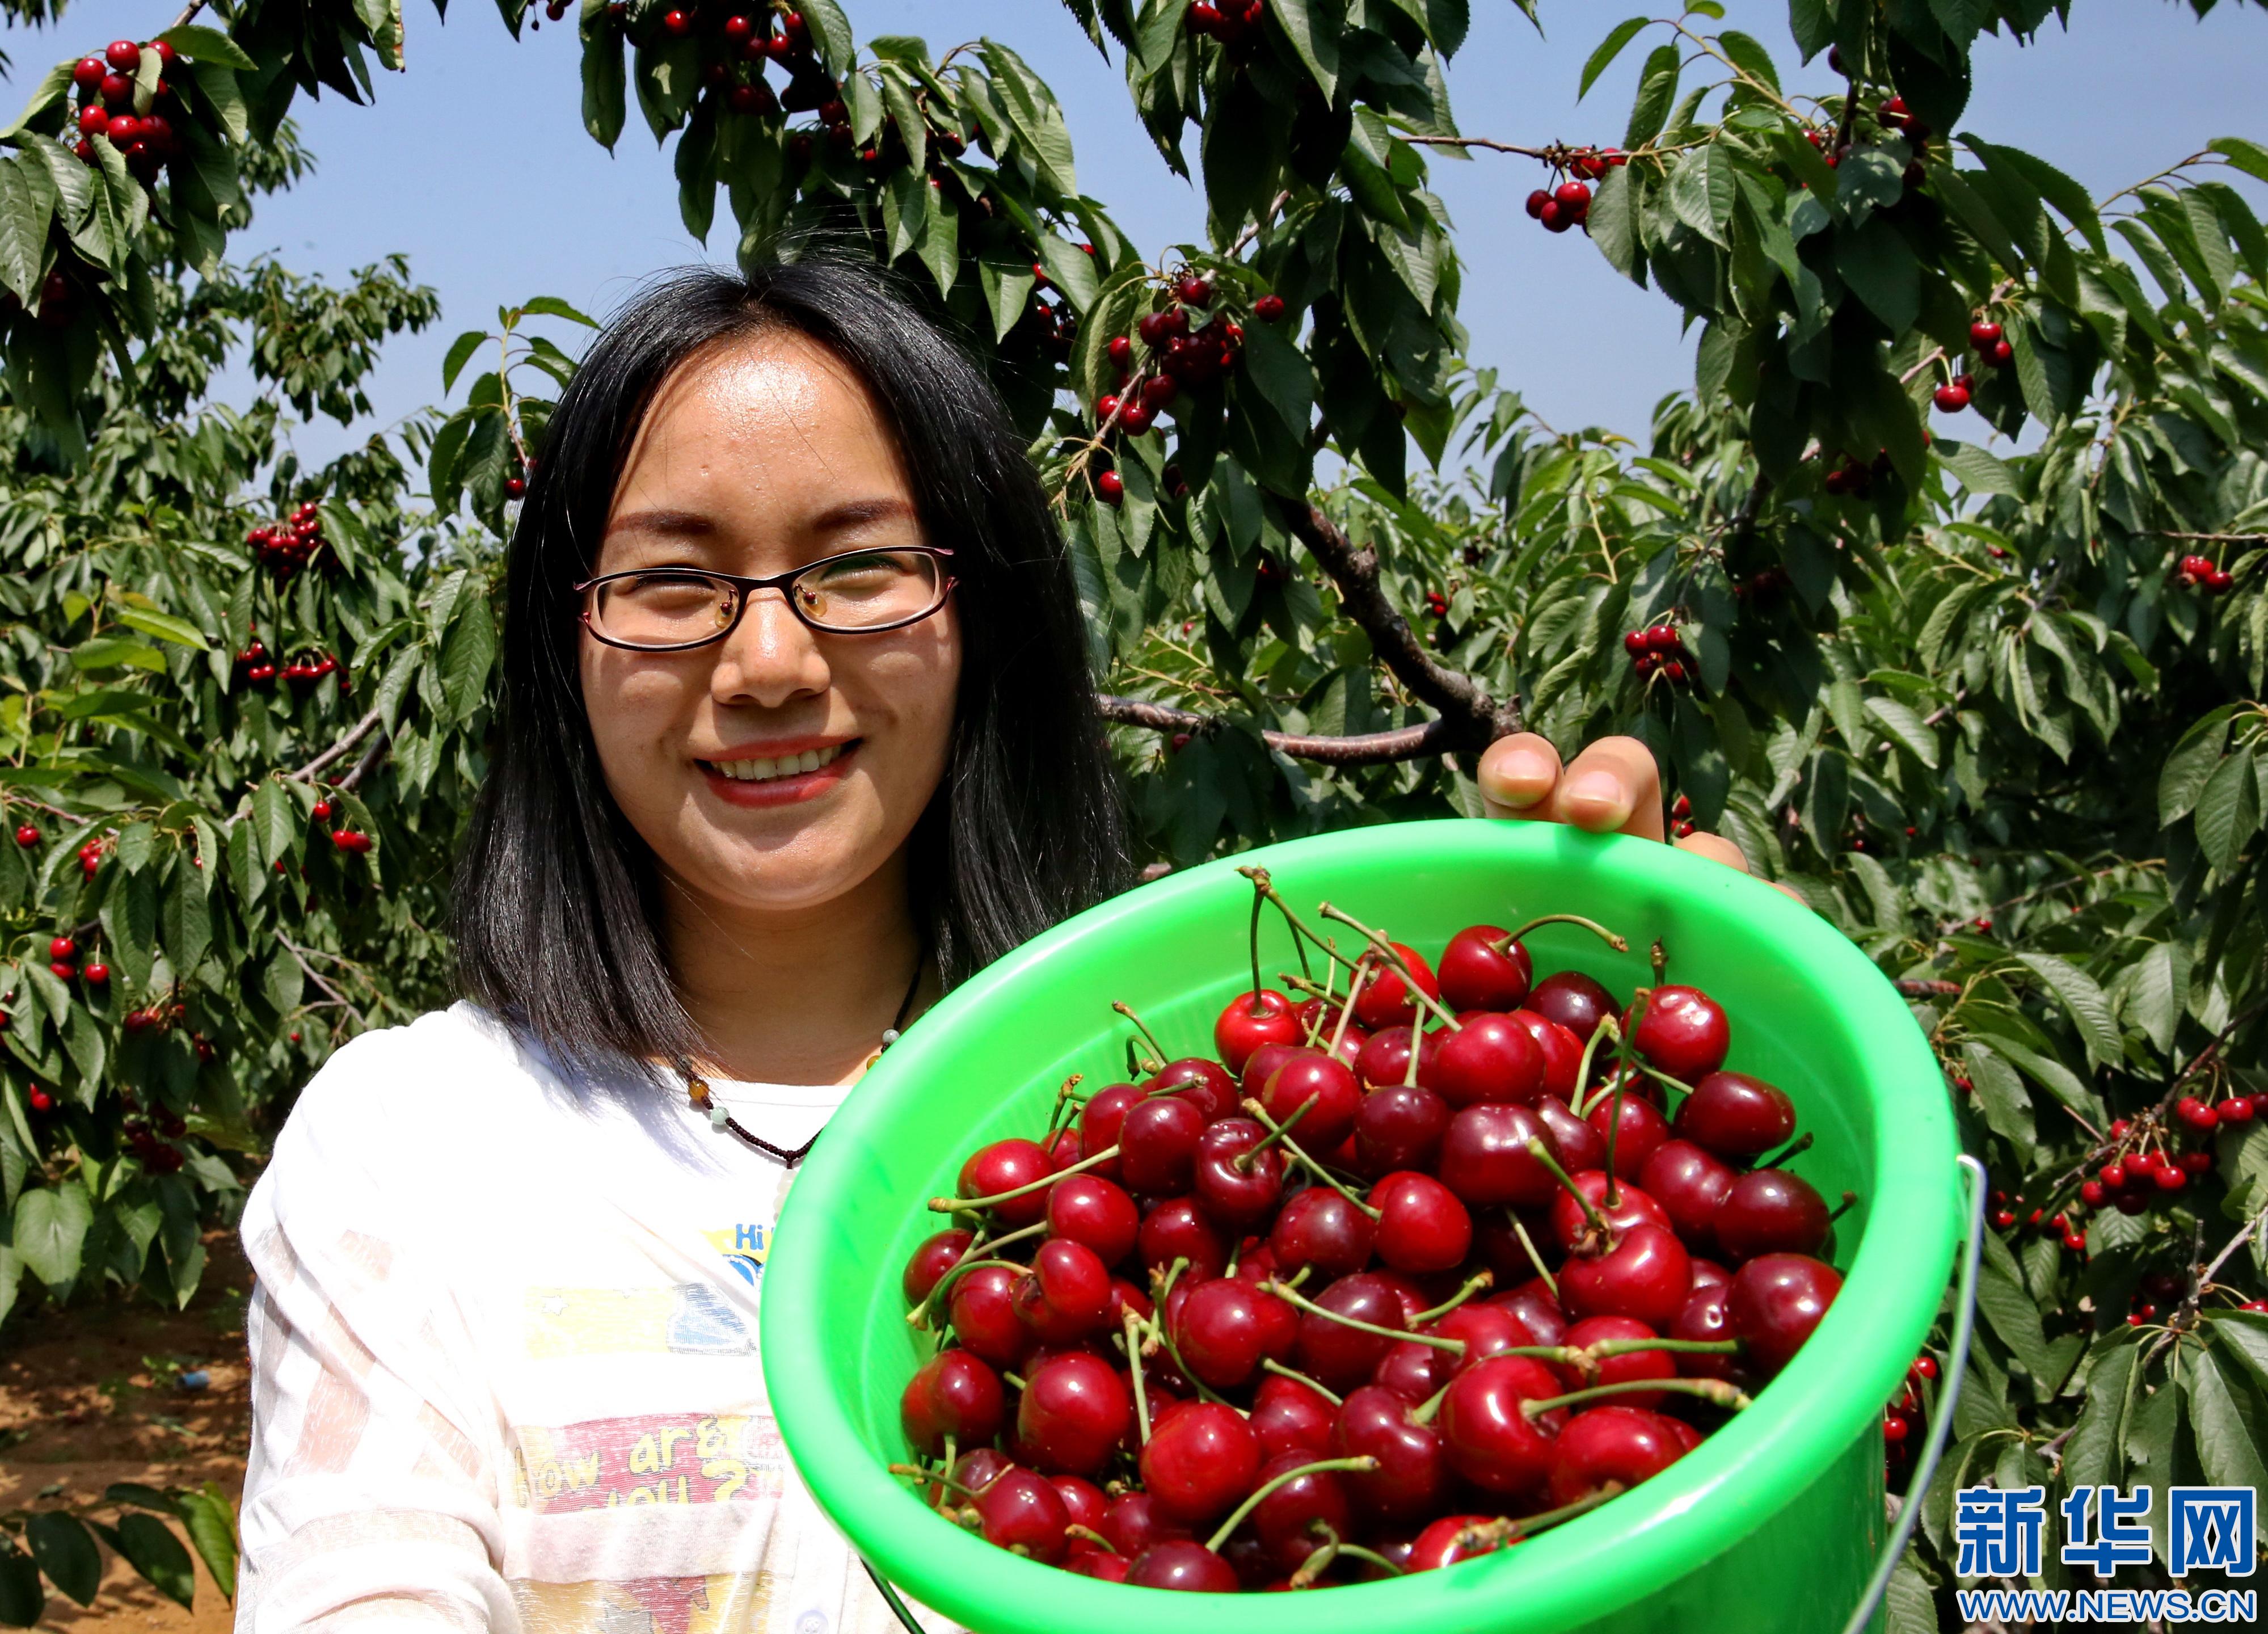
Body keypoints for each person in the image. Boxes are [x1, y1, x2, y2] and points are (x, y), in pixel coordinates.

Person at [233, 261, 1759, 1634]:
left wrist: (1663, 1081)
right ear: (562, 647)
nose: (769, 662)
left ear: (985, 621)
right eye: (671, 583)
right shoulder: (417, 1152)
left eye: (860, 565)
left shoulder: (1176, 1102)